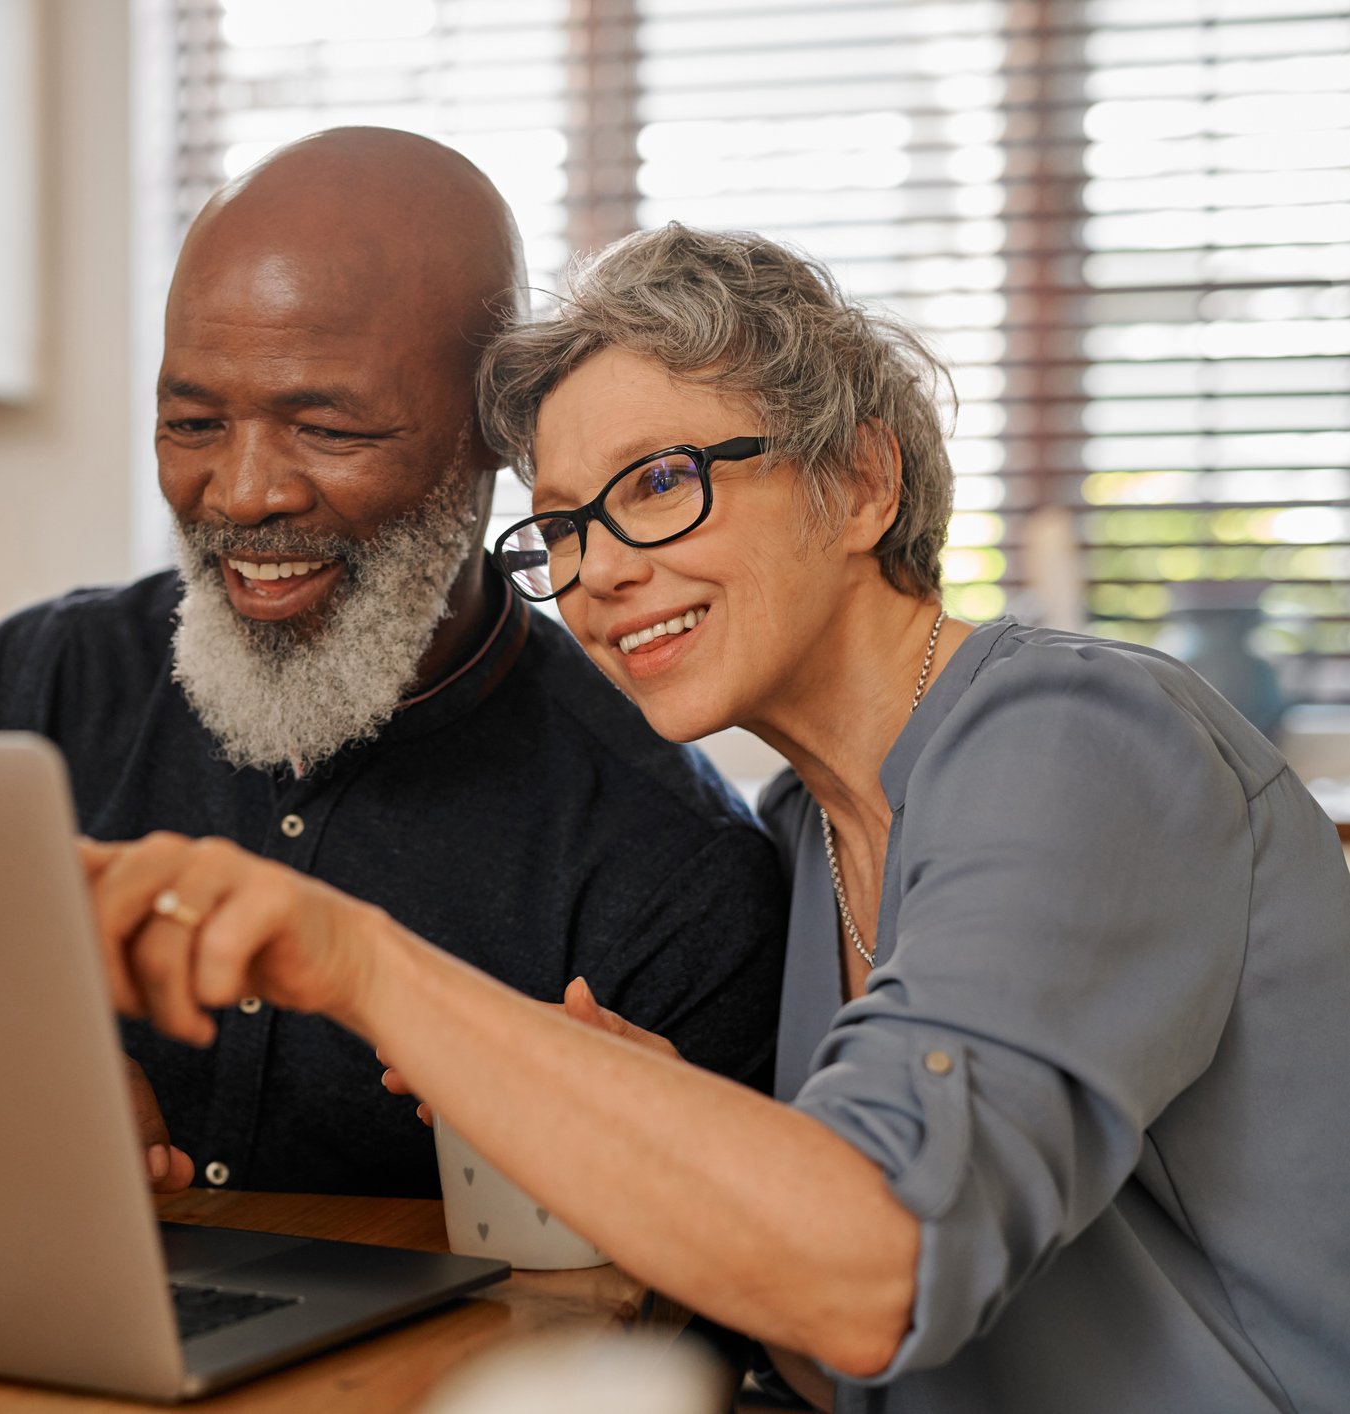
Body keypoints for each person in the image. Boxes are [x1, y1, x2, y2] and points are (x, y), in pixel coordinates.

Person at [82, 223, 1350, 1410]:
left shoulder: (1077, 738)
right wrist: (639, 1121)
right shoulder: (805, 828)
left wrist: (359, 960)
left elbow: (873, 1276)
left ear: (859, 482)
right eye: (564, 527)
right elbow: (829, 1353)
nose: (598, 572)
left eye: (660, 483)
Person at [0, 132, 787, 1200]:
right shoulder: (24, 696)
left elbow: (678, 1329)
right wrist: (4, 1064)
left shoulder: (668, 866)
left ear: (496, 435)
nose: (240, 493)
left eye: (324, 426)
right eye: (192, 422)